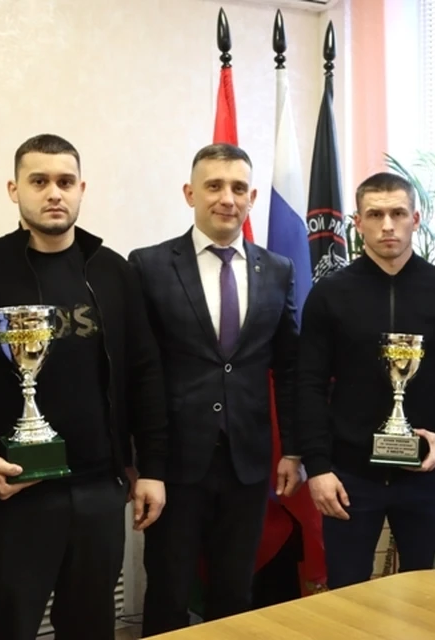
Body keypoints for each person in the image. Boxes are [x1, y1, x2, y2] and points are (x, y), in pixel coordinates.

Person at [0, 134, 167, 640]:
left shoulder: (113, 272)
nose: (53, 193)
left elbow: (145, 373)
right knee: (4, 628)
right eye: (39, 181)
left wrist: (151, 468)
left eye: (65, 181)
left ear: (82, 189)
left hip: (98, 490)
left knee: (90, 628)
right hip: (14, 496)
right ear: (14, 189)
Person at [129, 143, 301, 635]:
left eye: (239, 188)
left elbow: (289, 368)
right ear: (190, 194)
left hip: (247, 460)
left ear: (251, 199)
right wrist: (144, 463)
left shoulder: (278, 270)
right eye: (214, 186)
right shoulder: (149, 265)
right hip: (175, 463)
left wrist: (293, 449)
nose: (227, 198)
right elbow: (139, 372)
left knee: (235, 592)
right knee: (168, 591)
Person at [296, 172, 435, 588]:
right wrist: (318, 467)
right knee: (347, 596)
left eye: (398, 213)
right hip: (348, 477)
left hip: (424, 475)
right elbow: (307, 383)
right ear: (357, 222)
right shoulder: (329, 294)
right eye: (375, 214)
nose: (387, 225)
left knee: (428, 592)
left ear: (415, 219)